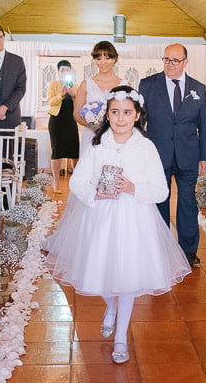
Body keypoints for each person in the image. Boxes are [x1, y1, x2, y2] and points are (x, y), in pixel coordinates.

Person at [43, 86, 191, 364]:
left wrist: (134, 188)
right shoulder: (98, 147)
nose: (121, 118)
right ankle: (109, 307)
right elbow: (77, 182)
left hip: (134, 220)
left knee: (127, 279)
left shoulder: (146, 147)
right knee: (99, 273)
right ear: (107, 115)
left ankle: (121, 338)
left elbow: (160, 190)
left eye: (127, 112)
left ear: (136, 116)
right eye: (115, 112)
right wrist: (94, 193)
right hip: (99, 217)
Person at [139, 43, 206, 266]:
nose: (170, 65)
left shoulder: (198, 88)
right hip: (157, 153)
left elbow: (204, 123)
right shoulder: (148, 85)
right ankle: (160, 247)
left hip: (188, 153)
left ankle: (188, 251)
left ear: (185, 62)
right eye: (166, 59)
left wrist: (205, 156)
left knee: (188, 201)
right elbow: (139, 120)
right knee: (160, 198)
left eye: (175, 60)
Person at [73, 41, 126, 153]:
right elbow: (77, 114)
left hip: (116, 137)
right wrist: (93, 126)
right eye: (98, 58)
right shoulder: (86, 84)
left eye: (107, 58)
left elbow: (129, 113)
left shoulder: (125, 85)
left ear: (114, 59)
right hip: (91, 137)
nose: (103, 62)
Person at [0, 23, 26, 129]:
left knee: (10, 146)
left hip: (10, 117)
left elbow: (20, 89)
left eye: (0, 37)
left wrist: (5, 107)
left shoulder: (17, 61)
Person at [46, 60, 79, 193]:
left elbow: (80, 105)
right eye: (62, 70)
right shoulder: (53, 85)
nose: (65, 72)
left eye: (67, 70)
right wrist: (62, 94)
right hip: (56, 122)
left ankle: (76, 182)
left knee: (75, 153)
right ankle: (56, 182)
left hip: (71, 122)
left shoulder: (76, 86)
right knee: (57, 151)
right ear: (58, 72)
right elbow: (51, 102)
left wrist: (73, 95)